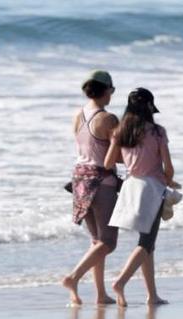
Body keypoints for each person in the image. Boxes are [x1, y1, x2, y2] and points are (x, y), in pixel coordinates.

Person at [105, 88, 174, 306]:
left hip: (130, 185)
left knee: (147, 245)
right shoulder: (157, 132)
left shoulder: (120, 131)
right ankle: (121, 281)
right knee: (146, 242)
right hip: (152, 188)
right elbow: (168, 167)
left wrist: (132, 161)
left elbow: (108, 163)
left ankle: (152, 295)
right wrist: (168, 181)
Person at [62, 70, 121, 306]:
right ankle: (73, 277)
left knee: (96, 241)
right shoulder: (108, 119)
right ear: (105, 90)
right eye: (112, 90)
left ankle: (100, 294)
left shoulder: (78, 115)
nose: (112, 95)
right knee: (109, 242)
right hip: (102, 183)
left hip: (79, 181)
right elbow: (117, 155)